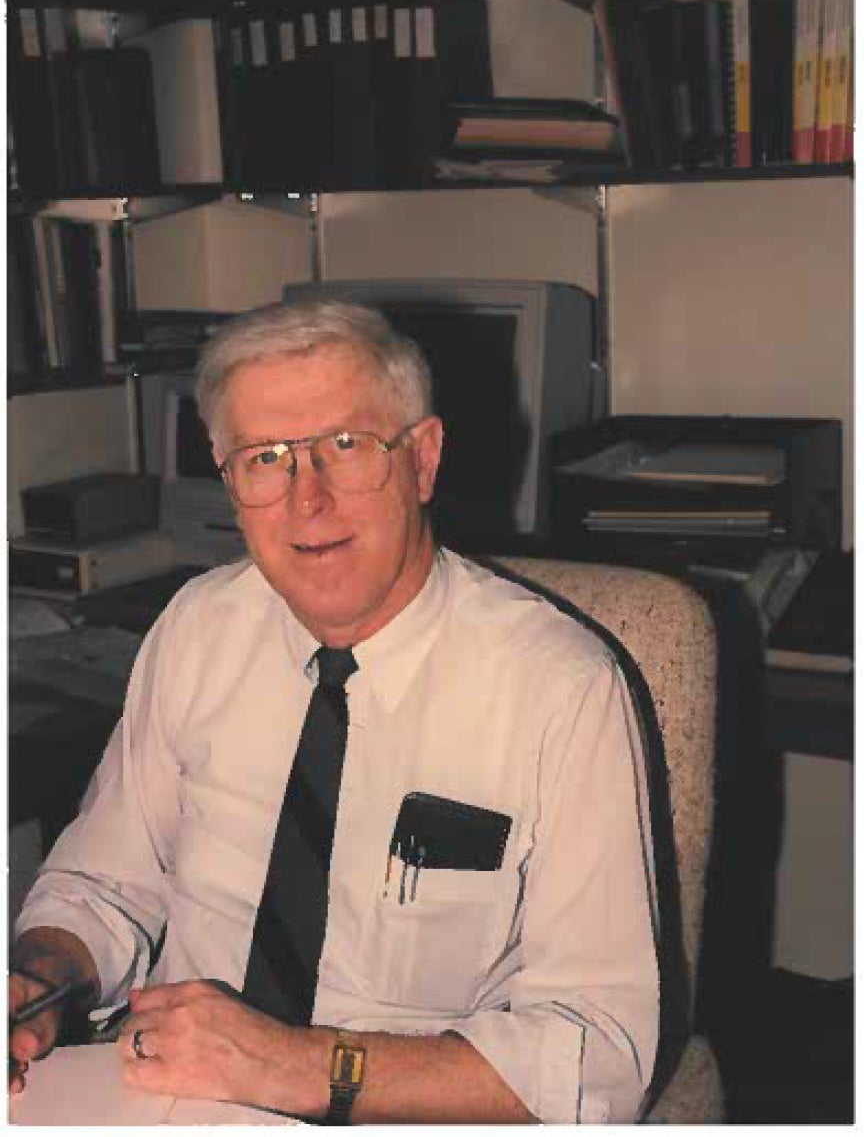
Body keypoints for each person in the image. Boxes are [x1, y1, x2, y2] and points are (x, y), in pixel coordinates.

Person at [10, 298, 659, 1124]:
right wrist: (45, 975)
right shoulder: (199, 629)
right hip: (173, 1102)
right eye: (265, 458)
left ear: (422, 460)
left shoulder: (562, 688)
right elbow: (105, 882)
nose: (305, 500)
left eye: (347, 448)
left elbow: (602, 1055)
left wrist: (297, 1067)